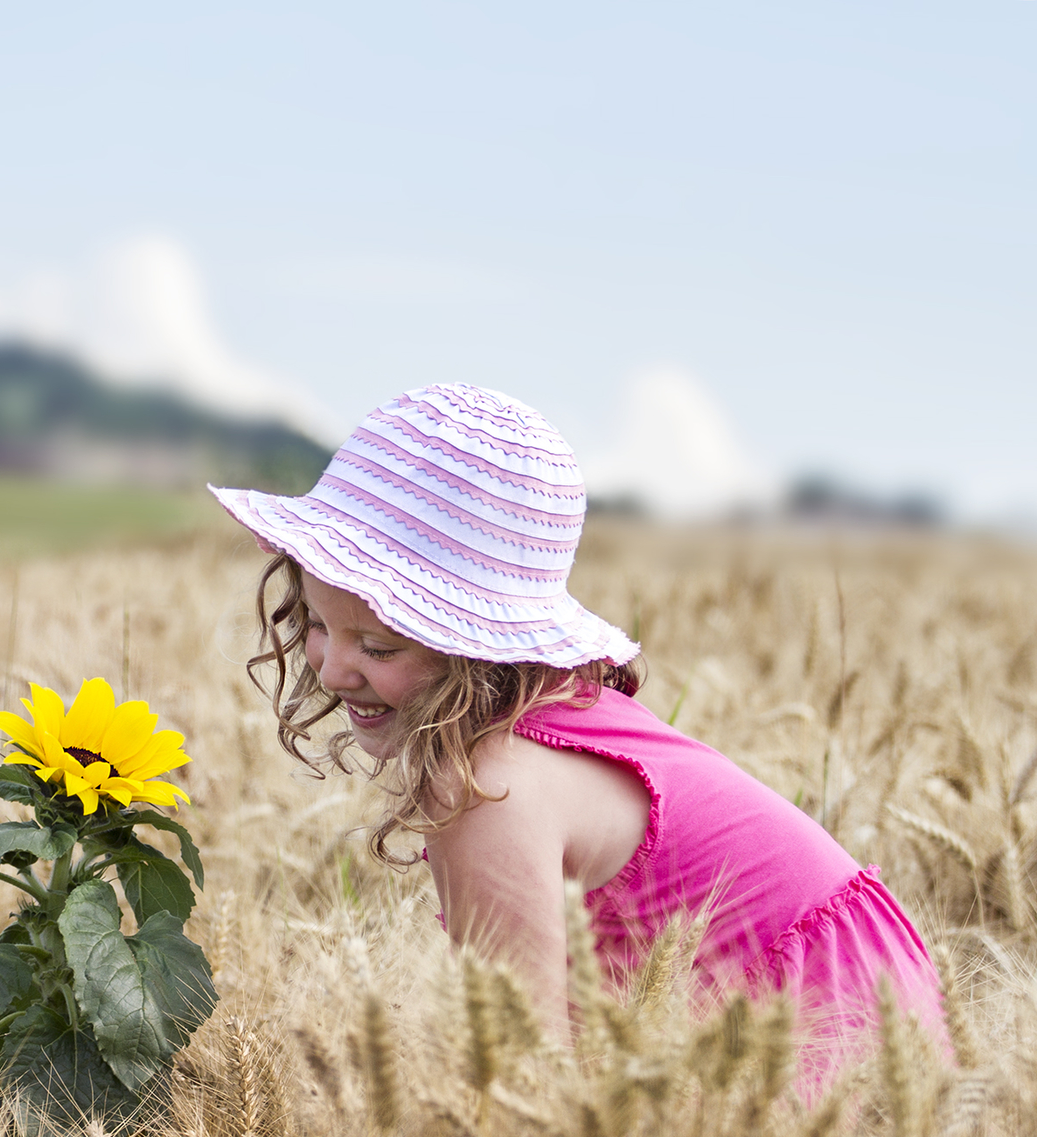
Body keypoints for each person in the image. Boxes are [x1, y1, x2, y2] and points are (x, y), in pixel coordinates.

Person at [210, 382, 947, 1085]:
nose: (334, 669)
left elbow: (524, 1085)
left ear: (478, 647)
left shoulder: (485, 787)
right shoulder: (567, 705)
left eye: (378, 648)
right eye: (313, 622)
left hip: (820, 1037)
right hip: (867, 999)